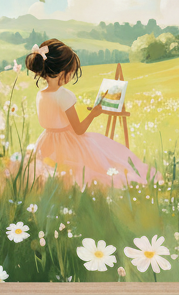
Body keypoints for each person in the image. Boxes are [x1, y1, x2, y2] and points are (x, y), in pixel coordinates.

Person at [26, 39, 158, 189]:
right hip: (67, 144)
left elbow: (50, 122)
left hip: (46, 142)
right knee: (99, 161)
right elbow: (79, 130)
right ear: (63, 72)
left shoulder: (41, 94)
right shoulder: (64, 95)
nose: (71, 76)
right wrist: (93, 114)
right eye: (71, 72)